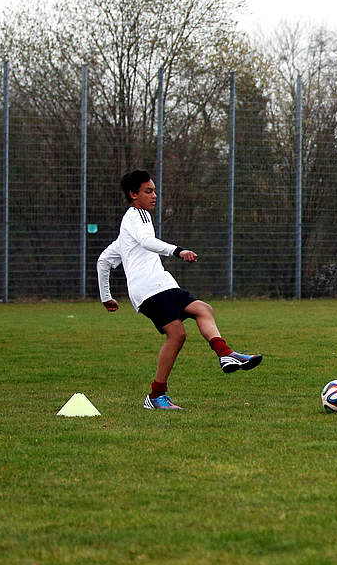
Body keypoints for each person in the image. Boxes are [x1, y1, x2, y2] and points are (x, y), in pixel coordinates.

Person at [97, 170, 262, 410]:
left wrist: (106, 297)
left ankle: (225, 353)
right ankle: (156, 396)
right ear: (133, 194)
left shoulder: (128, 228)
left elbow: (104, 260)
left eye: (154, 190)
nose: (154, 195)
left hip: (161, 285)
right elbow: (146, 241)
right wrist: (178, 250)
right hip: (151, 289)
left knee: (203, 309)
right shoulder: (138, 215)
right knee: (177, 334)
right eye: (148, 191)